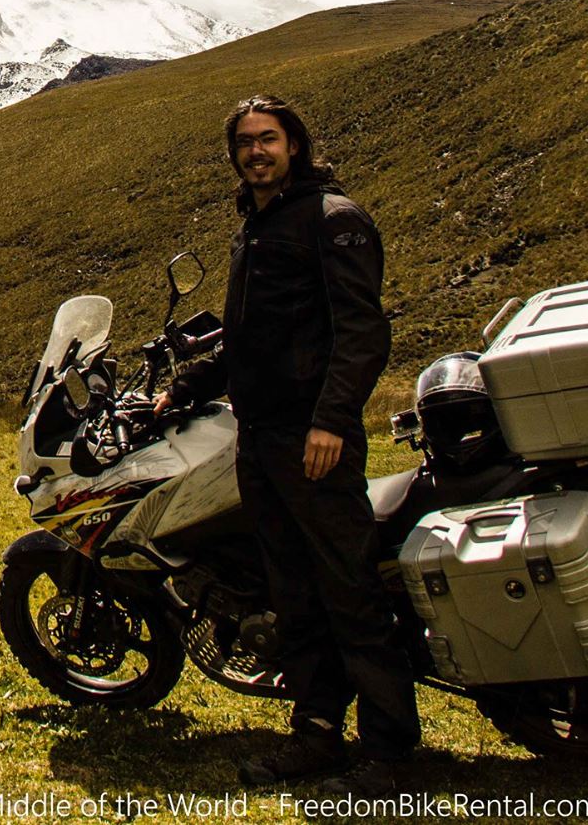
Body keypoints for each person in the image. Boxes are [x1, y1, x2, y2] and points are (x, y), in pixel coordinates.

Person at [157, 95, 419, 796]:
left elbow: (362, 335)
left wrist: (331, 420)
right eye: (244, 142)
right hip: (261, 440)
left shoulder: (332, 220)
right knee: (294, 593)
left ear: (295, 144)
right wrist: (181, 388)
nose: (256, 152)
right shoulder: (257, 224)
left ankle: (391, 751)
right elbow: (248, 340)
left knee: (350, 591)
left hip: (314, 439)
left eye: (268, 139)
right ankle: (317, 733)